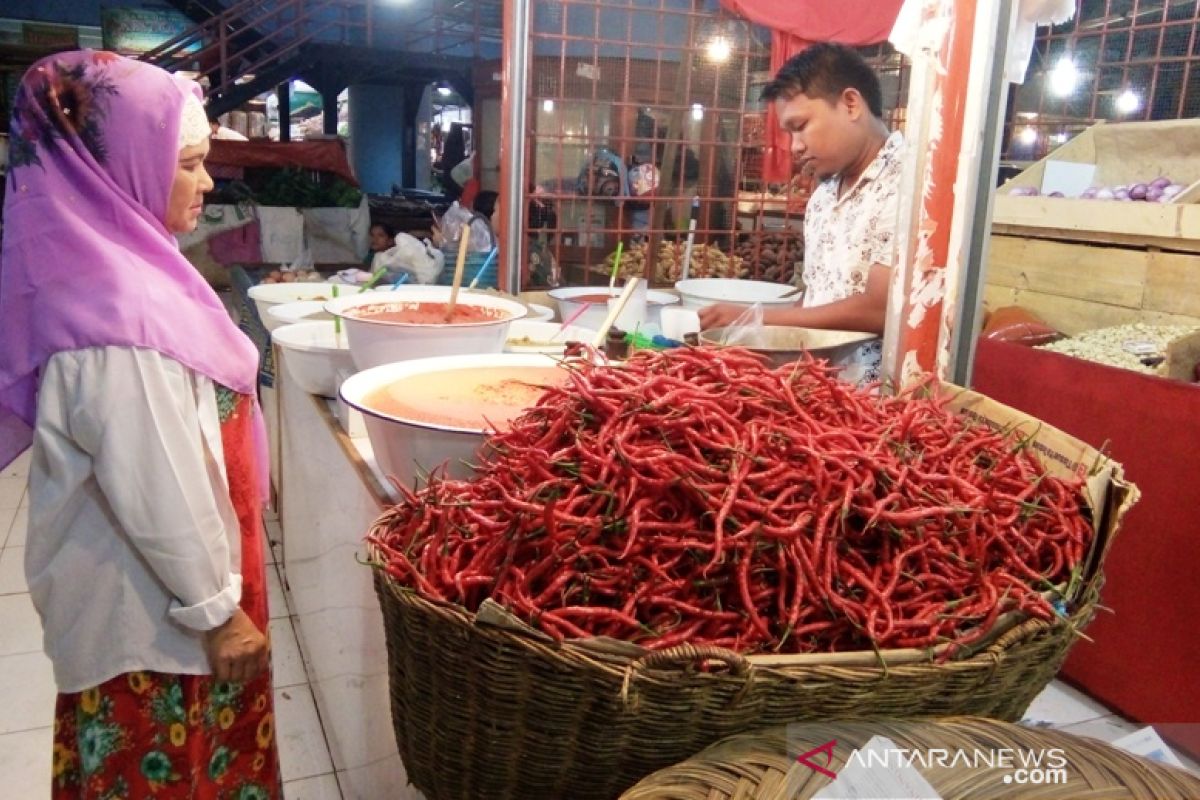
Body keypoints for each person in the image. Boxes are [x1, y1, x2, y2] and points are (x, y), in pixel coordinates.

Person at [0, 51, 280, 797]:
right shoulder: (118, 316)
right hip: (160, 632)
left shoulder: (124, 272)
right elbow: (158, 484)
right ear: (112, 167)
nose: (208, 181)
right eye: (188, 163)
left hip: (177, 602)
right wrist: (218, 615)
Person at [699, 43, 904, 383]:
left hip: (881, 402)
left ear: (851, 104)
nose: (794, 146)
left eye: (801, 125)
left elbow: (880, 308)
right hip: (820, 390)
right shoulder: (823, 197)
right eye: (789, 132)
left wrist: (756, 318)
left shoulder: (908, 182)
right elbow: (814, 303)